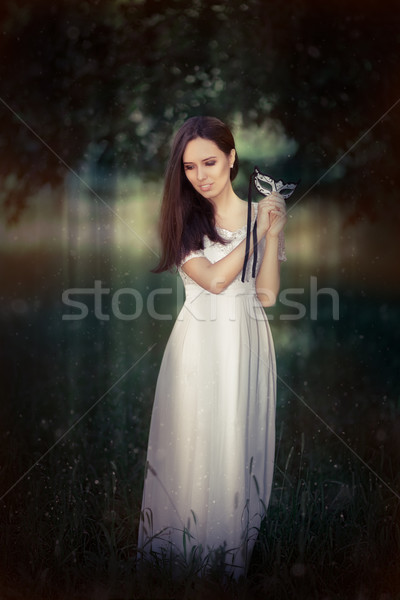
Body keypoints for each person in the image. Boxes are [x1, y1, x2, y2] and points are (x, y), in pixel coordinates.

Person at [137, 116, 287, 579]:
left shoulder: (258, 215)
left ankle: (229, 552)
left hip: (247, 337)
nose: (200, 175)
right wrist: (259, 230)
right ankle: (183, 550)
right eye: (189, 167)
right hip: (202, 339)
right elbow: (218, 281)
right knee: (197, 438)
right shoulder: (184, 220)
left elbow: (265, 295)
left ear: (232, 159)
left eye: (210, 162)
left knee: (237, 436)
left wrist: (275, 229)